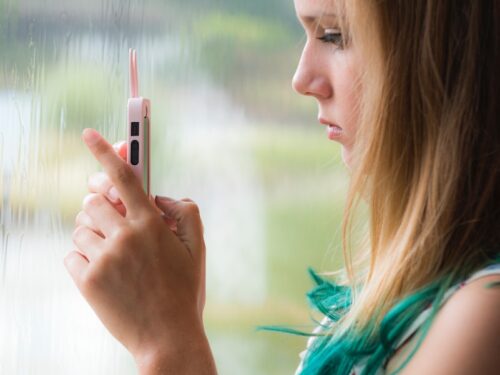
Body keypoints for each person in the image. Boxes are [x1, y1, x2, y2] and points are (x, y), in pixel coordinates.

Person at [64, 0, 500, 374]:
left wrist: (167, 344)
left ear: (444, 54)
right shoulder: (410, 295)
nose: (301, 78)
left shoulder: (483, 317)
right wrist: (174, 311)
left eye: (334, 35)